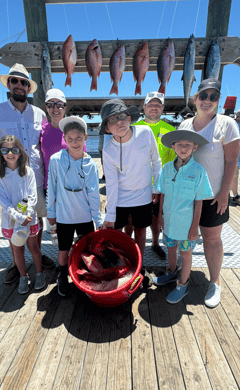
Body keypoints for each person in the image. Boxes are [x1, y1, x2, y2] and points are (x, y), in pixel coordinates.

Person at [0, 63, 54, 285]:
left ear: (29, 88)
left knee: (36, 218)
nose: (19, 85)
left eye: (24, 82)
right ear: (9, 84)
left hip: (36, 176)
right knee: (14, 219)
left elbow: (45, 143)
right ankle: (16, 263)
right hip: (11, 178)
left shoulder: (40, 113)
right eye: (15, 81)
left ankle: (37, 254)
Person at [179, 78, 240, 308]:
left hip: (213, 194)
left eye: (213, 97)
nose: (207, 100)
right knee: (184, 237)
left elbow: (232, 160)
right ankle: (181, 275)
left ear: (218, 101)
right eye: (203, 96)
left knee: (212, 239)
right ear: (195, 99)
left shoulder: (227, 124)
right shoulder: (184, 126)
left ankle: (214, 282)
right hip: (187, 195)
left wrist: (225, 192)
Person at [100, 99, 161, 286]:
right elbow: (111, 184)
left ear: (129, 118)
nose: (119, 122)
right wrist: (109, 214)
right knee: (119, 234)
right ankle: (123, 265)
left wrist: (156, 188)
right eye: (112, 120)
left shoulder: (146, 132)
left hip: (144, 195)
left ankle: (139, 267)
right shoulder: (108, 149)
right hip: (120, 198)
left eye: (121, 116)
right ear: (107, 129)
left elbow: (156, 161)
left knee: (141, 230)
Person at [154, 130, 213, 304]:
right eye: (179, 144)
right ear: (173, 147)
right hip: (168, 221)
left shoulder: (199, 170)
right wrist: (159, 217)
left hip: (187, 224)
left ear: (194, 147)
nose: (183, 148)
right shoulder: (166, 168)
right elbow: (162, 194)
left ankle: (183, 284)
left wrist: (195, 227)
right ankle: (171, 273)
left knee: (186, 253)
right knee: (170, 248)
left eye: (188, 145)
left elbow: (199, 201)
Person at [47, 116, 102, 296]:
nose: (74, 142)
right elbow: (51, 188)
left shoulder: (91, 164)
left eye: (78, 138)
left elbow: (94, 194)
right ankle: (63, 276)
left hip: (85, 217)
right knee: (63, 249)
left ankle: (84, 276)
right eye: (69, 139)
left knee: (87, 250)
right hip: (63, 217)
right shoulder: (55, 160)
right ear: (64, 139)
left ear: (86, 138)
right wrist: (51, 213)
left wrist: (97, 219)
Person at [0, 135, 46, 295]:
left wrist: (27, 214)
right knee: (18, 250)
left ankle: (40, 273)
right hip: (11, 220)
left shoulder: (28, 171)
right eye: (5, 150)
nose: (10, 153)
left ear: (20, 152)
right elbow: (4, 203)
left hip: (29, 218)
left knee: (34, 247)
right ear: (0, 153)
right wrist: (19, 217)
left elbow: (32, 195)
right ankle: (23, 276)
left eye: (15, 149)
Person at [133, 91, 177, 260]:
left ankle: (155, 243)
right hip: (138, 182)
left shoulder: (170, 130)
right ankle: (134, 246)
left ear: (163, 108)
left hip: (160, 183)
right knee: (134, 219)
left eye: (157, 105)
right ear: (144, 107)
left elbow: (174, 161)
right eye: (150, 104)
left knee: (156, 217)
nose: (154, 107)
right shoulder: (135, 127)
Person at [40, 88, 87, 190]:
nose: (55, 108)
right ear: (46, 107)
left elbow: (85, 160)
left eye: (60, 105)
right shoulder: (41, 130)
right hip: (50, 186)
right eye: (51, 104)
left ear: (65, 108)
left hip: (72, 187)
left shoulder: (73, 131)